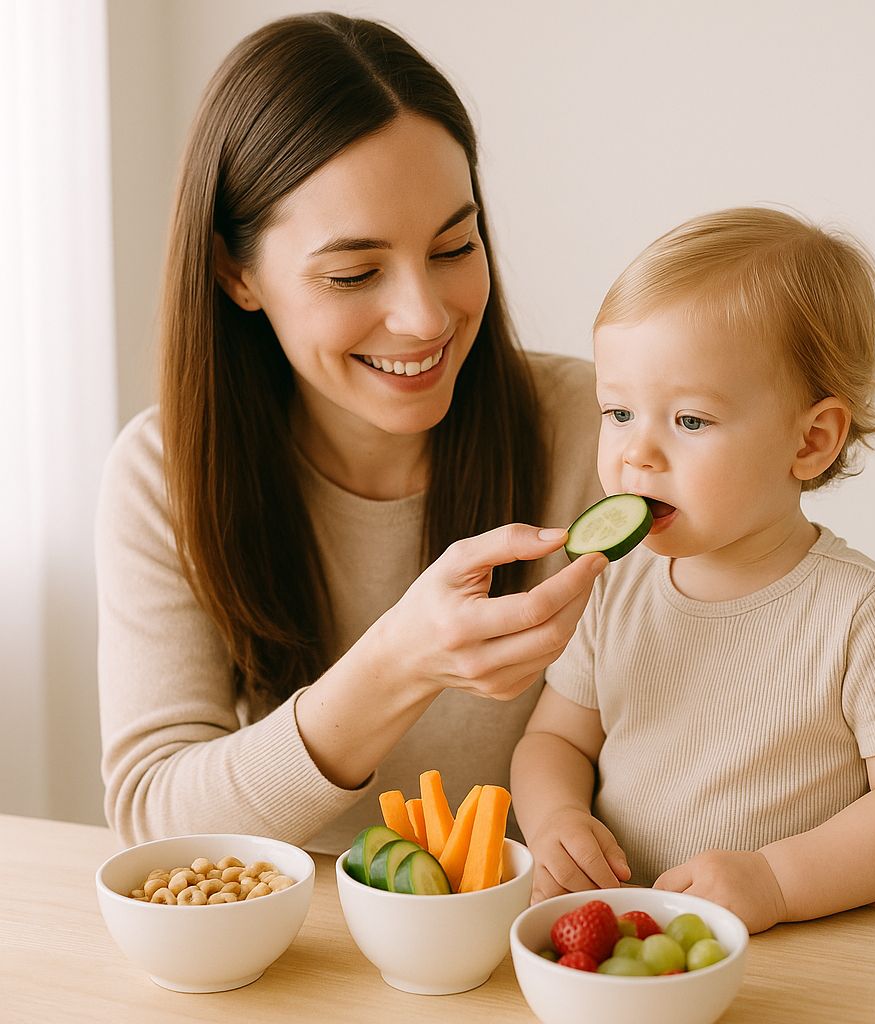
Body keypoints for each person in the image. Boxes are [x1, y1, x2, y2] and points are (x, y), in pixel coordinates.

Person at [96, 12, 607, 852]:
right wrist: (398, 662)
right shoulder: (166, 477)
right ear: (236, 273)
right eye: (353, 273)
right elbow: (155, 816)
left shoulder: (599, 430)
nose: (425, 316)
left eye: (455, 245)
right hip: (312, 955)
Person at [510, 207, 875, 932]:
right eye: (618, 412)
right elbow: (556, 740)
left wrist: (776, 881)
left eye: (689, 421)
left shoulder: (865, 614)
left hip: (807, 954)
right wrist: (555, 817)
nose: (637, 454)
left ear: (812, 441)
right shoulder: (615, 590)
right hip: (634, 947)